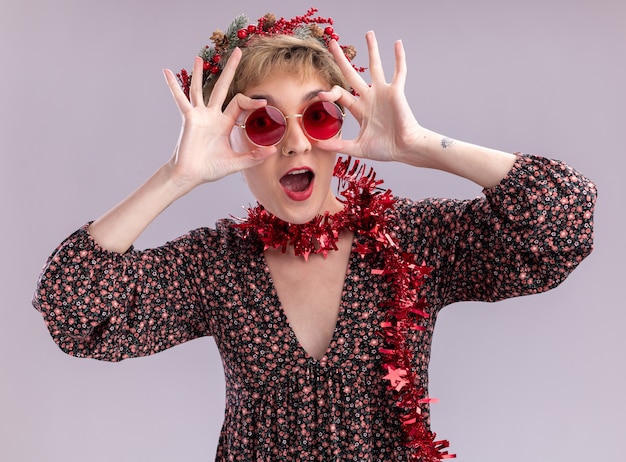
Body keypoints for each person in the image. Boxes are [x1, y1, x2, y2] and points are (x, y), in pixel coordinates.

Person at [32, 8, 596, 462]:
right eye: (263, 122)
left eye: (318, 116)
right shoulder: (216, 265)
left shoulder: (412, 242)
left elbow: (561, 219)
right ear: (235, 140)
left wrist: (422, 145)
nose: (296, 144)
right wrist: (175, 176)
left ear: (342, 125)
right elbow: (72, 309)